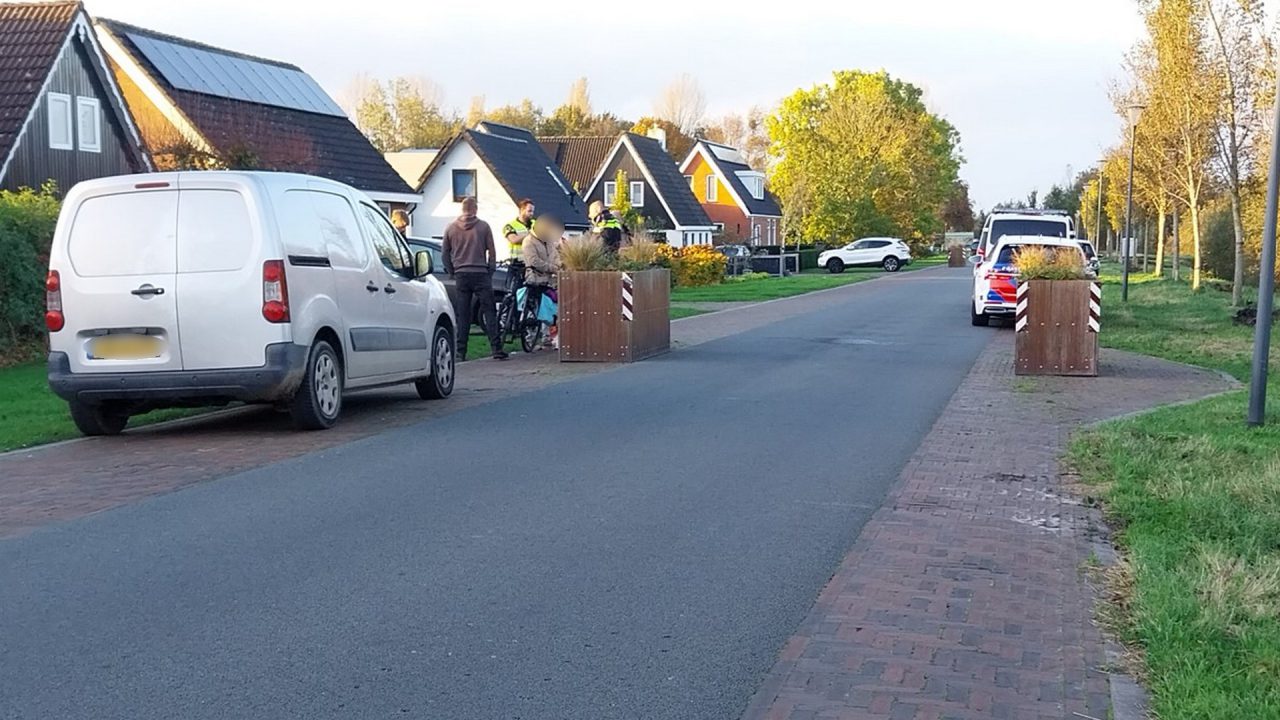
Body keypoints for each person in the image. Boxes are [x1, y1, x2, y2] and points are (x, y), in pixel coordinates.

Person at [442, 197, 507, 361]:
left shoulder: (450, 228)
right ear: (475, 209)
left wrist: (452, 271)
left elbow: (444, 254)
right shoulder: (484, 227)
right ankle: (496, 349)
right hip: (480, 273)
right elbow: (492, 252)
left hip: (461, 274)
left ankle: (460, 352)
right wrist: (490, 270)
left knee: (463, 315)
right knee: (489, 311)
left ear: (462, 209)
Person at [522, 214, 563, 349]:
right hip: (535, 279)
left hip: (550, 280)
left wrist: (558, 266)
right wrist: (552, 268)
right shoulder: (529, 241)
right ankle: (531, 337)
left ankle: (547, 337)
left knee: (552, 309)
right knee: (535, 309)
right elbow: (533, 261)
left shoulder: (549, 242)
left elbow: (556, 257)